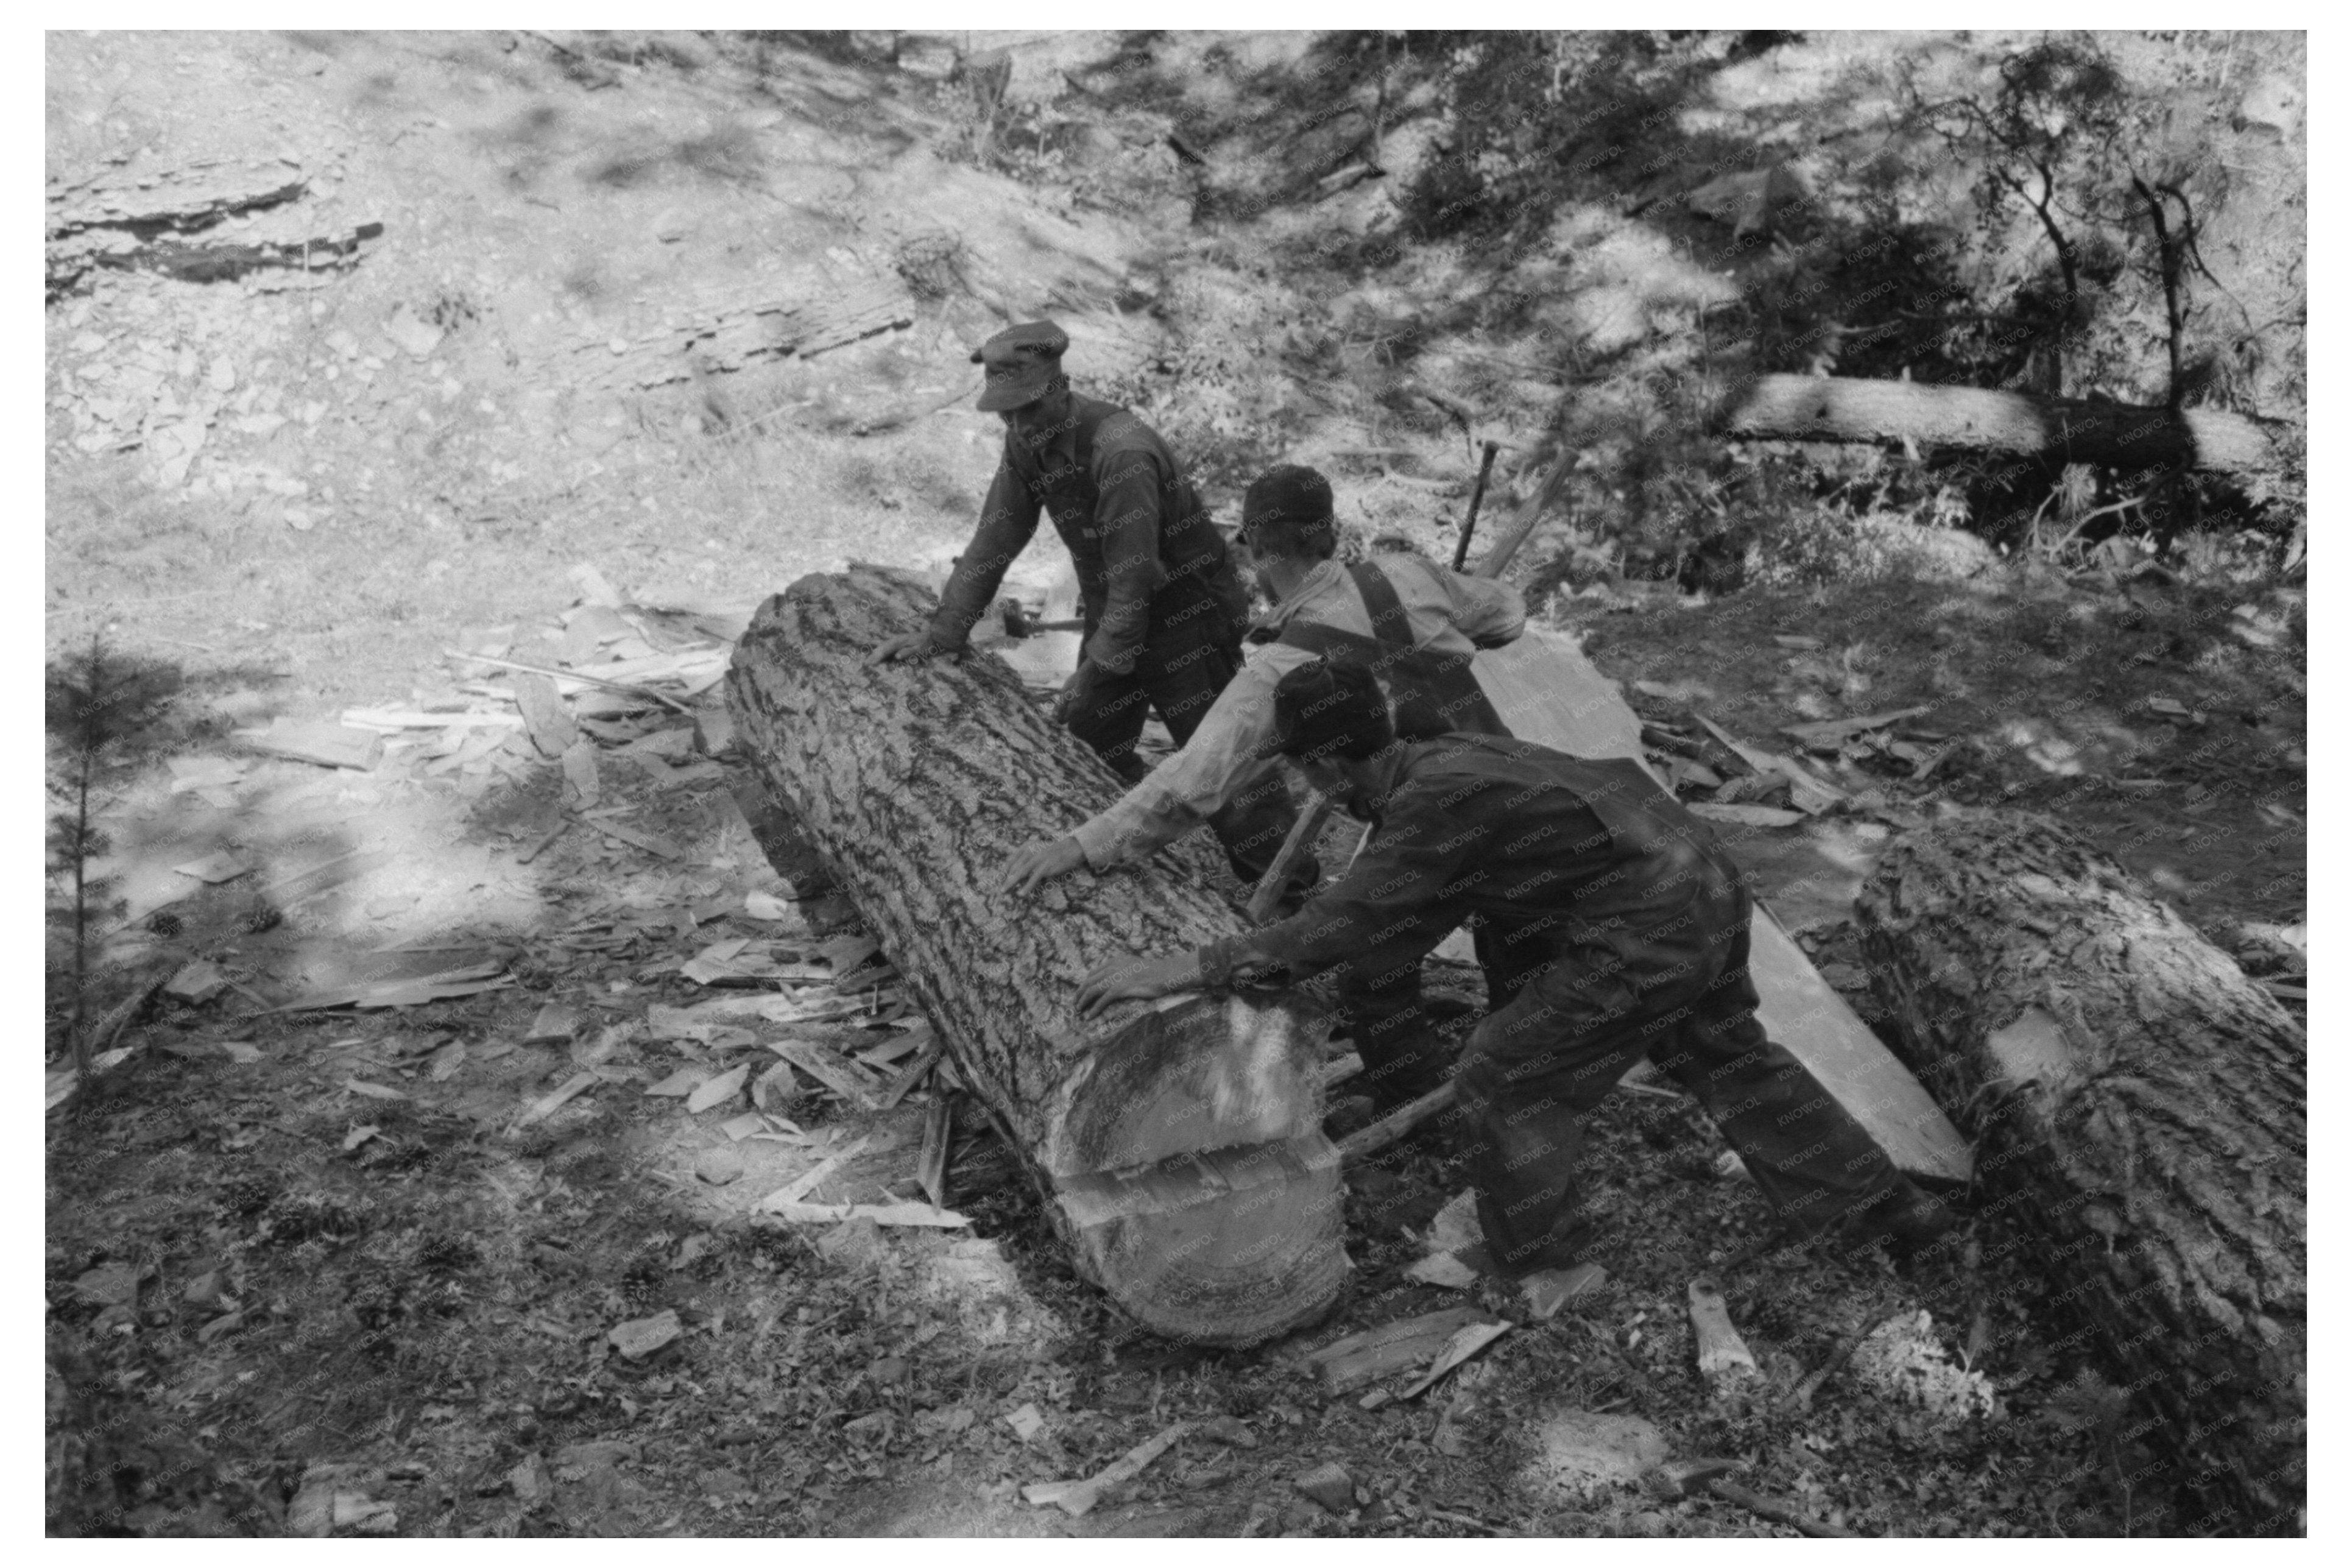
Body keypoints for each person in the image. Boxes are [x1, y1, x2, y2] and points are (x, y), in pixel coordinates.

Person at [1073, 658, 1953, 1278]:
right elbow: (1398, 925)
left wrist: (1189, 965)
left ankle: (1541, 1264)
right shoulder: (1443, 766)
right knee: (1724, 1053)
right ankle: (1884, 1212)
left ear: (1327, 765)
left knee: (1503, 1073)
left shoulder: (1431, 800)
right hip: (1701, 876)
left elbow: (1344, 921)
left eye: (1307, 773)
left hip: (1653, 914)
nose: (1313, 790)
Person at [1000, 462, 1527, 1114]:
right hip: (1517, 782)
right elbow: (1508, 616)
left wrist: (1082, 845)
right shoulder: (1408, 573)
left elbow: (1190, 784)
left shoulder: (1278, 673)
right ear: (1331, 533)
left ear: (1251, 548)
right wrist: (1442, 630)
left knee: (1373, 963)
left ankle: (1415, 1099)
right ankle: (1521, 1063)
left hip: (1429, 824)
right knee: (1517, 926)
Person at [871, 320, 1296, 885]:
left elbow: (1136, 577)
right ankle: (1135, 856)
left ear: (1060, 388)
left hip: (1186, 614)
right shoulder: (1025, 439)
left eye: (1027, 409)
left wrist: (1093, 669)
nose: (1018, 425)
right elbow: (997, 535)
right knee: (1087, 746)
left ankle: (1287, 891)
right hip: (1115, 608)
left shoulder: (1121, 453)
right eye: (1005, 413)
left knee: (1217, 761)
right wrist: (943, 633)